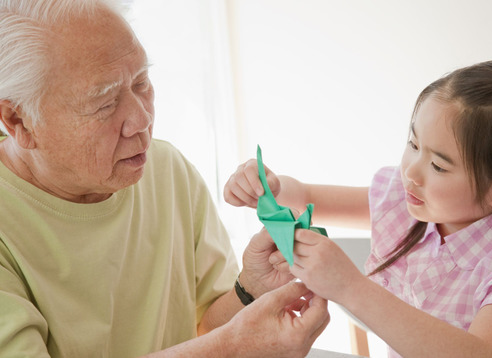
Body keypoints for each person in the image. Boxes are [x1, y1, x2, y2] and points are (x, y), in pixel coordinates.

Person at [0, 0, 329, 357]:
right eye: (105, 103)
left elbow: (202, 334)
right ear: (19, 121)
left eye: (142, 82)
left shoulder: (166, 169)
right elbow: (221, 346)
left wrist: (250, 288)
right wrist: (234, 346)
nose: (141, 120)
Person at [224, 60, 492, 357]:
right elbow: (305, 197)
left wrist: (351, 287)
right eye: (413, 143)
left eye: (439, 166)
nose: (409, 171)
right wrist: (270, 187)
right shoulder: (405, 202)